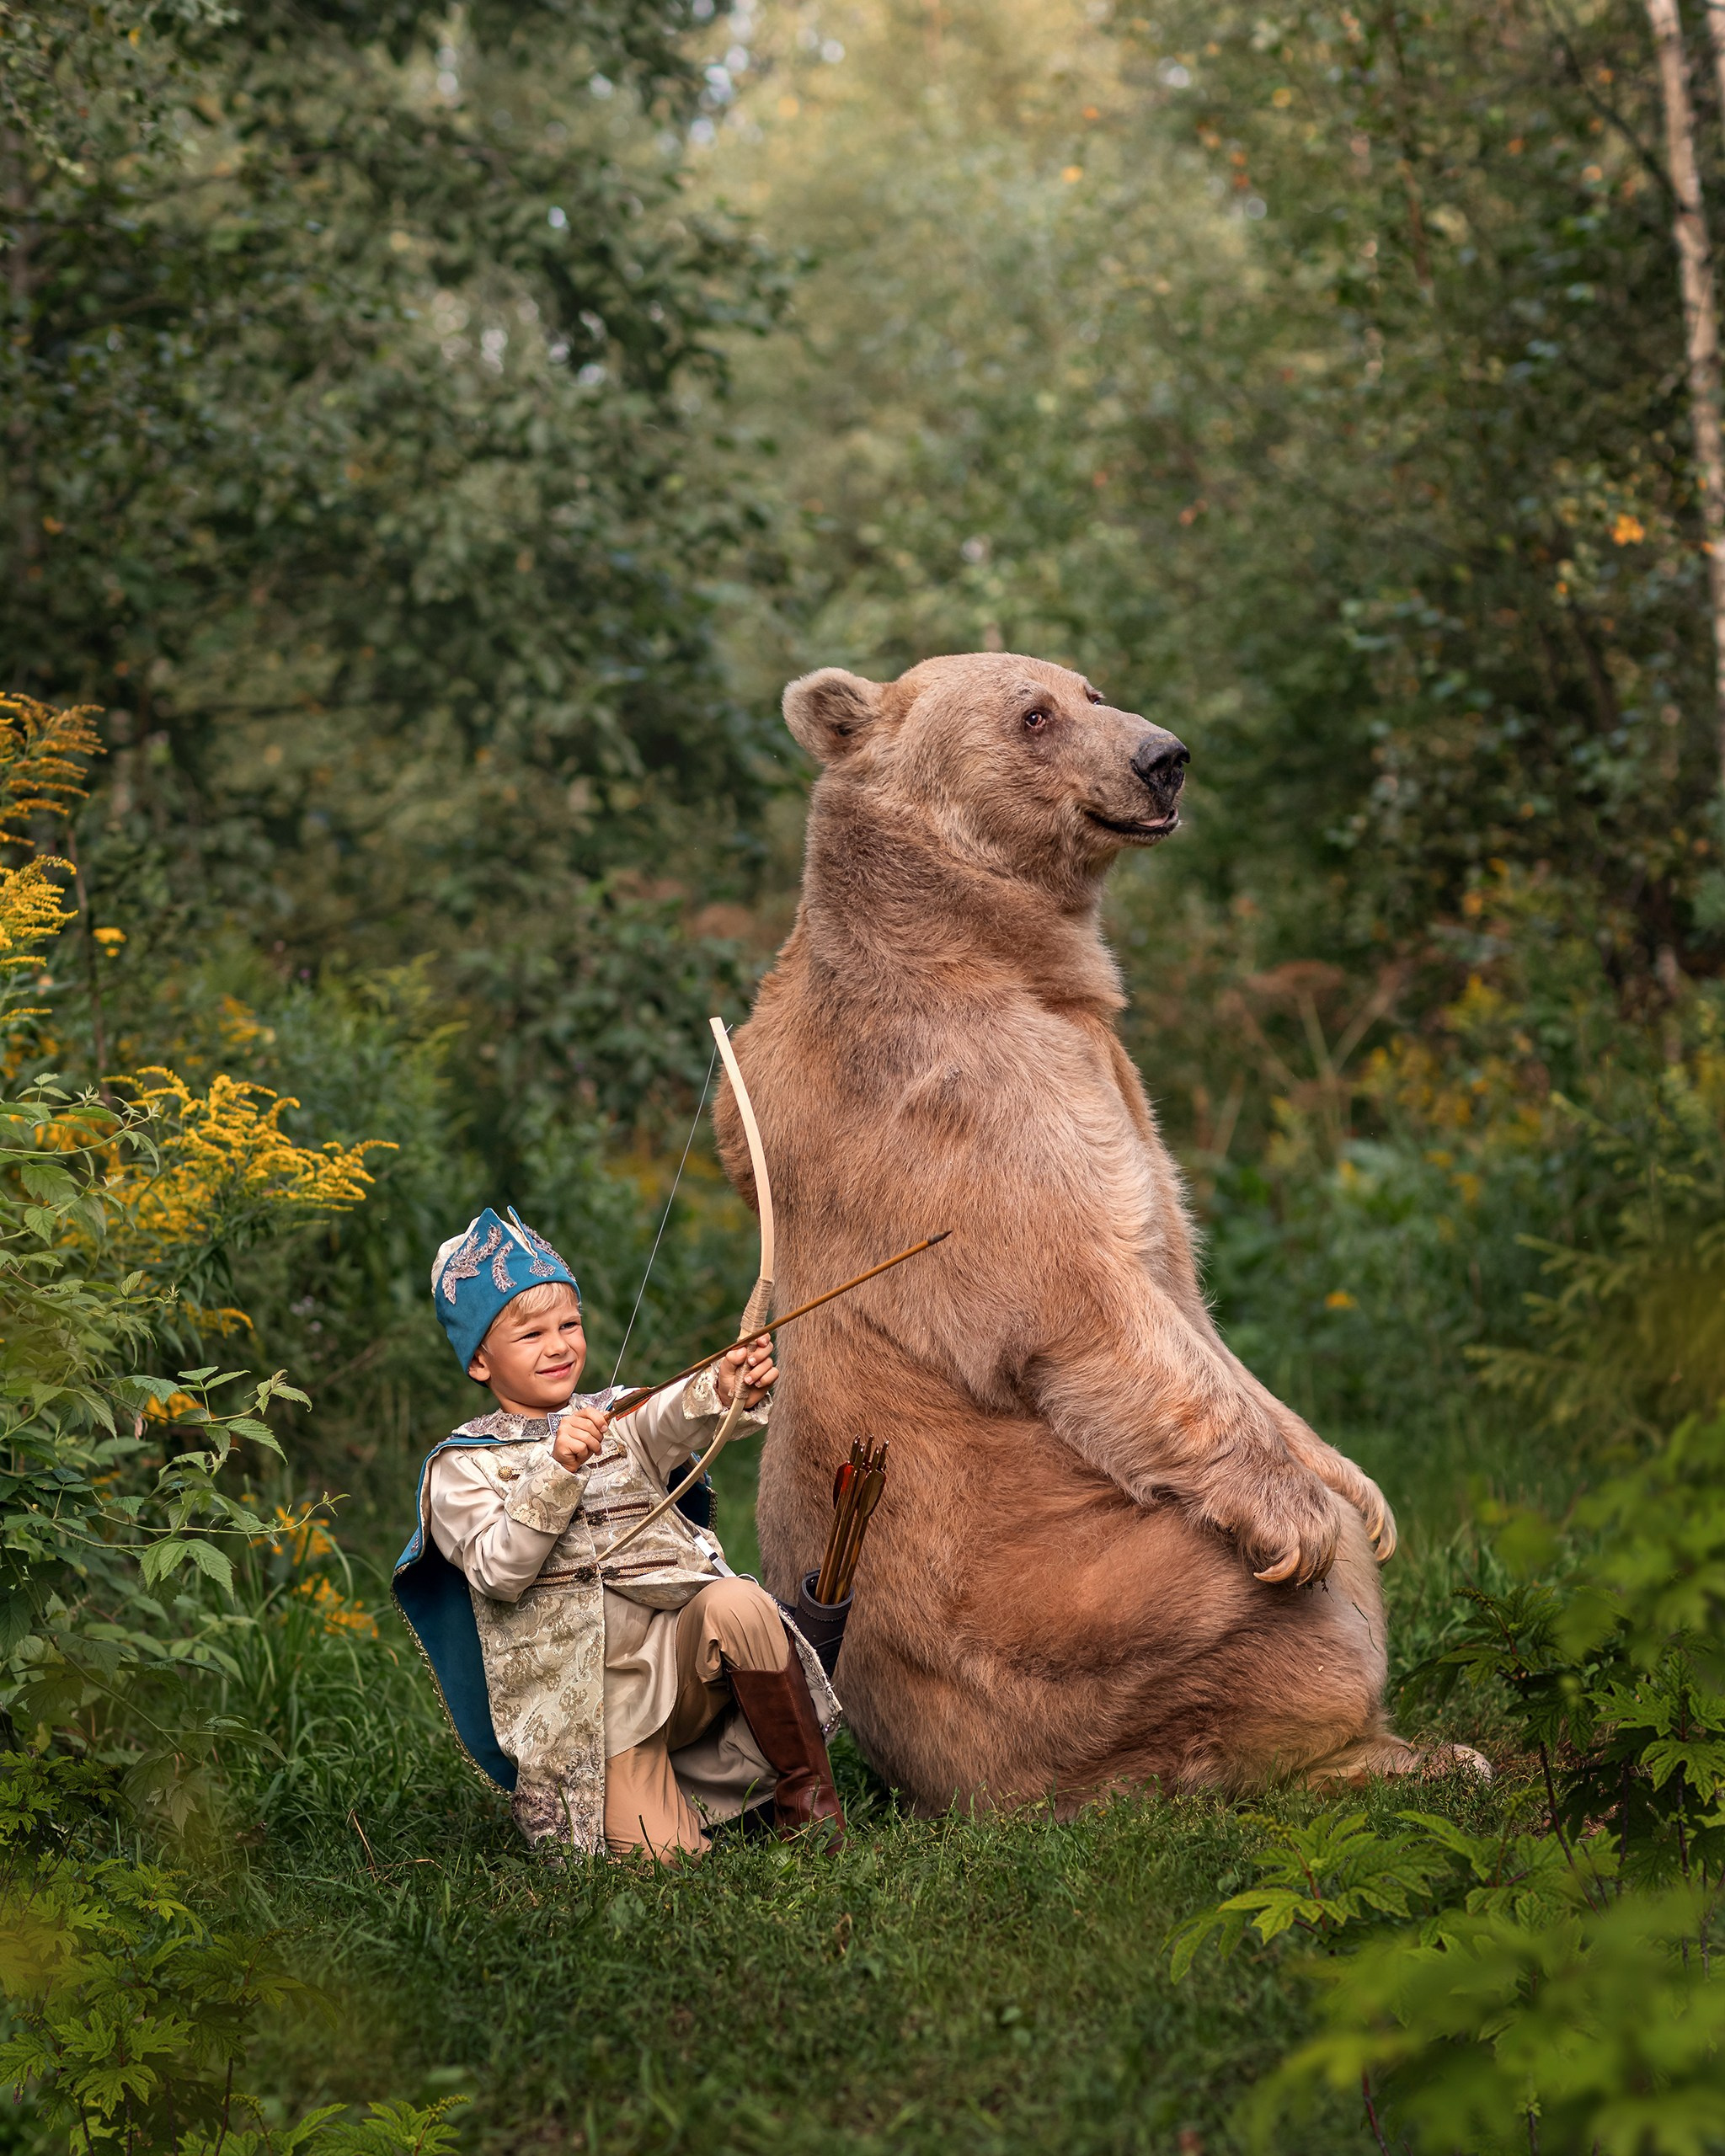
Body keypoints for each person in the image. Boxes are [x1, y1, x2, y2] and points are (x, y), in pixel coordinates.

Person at [393, 1207, 845, 1859]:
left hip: (683, 1668)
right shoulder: (461, 1468)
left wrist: (723, 1385)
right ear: (480, 1363)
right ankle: (668, 1810)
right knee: (667, 1869)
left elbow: (674, 1414)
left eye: (569, 1324)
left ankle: (810, 1806)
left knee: (739, 1604)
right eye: (530, 1335)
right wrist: (556, 1470)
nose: (559, 1346)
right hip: (596, 1717)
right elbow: (498, 1572)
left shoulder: (616, 1415)